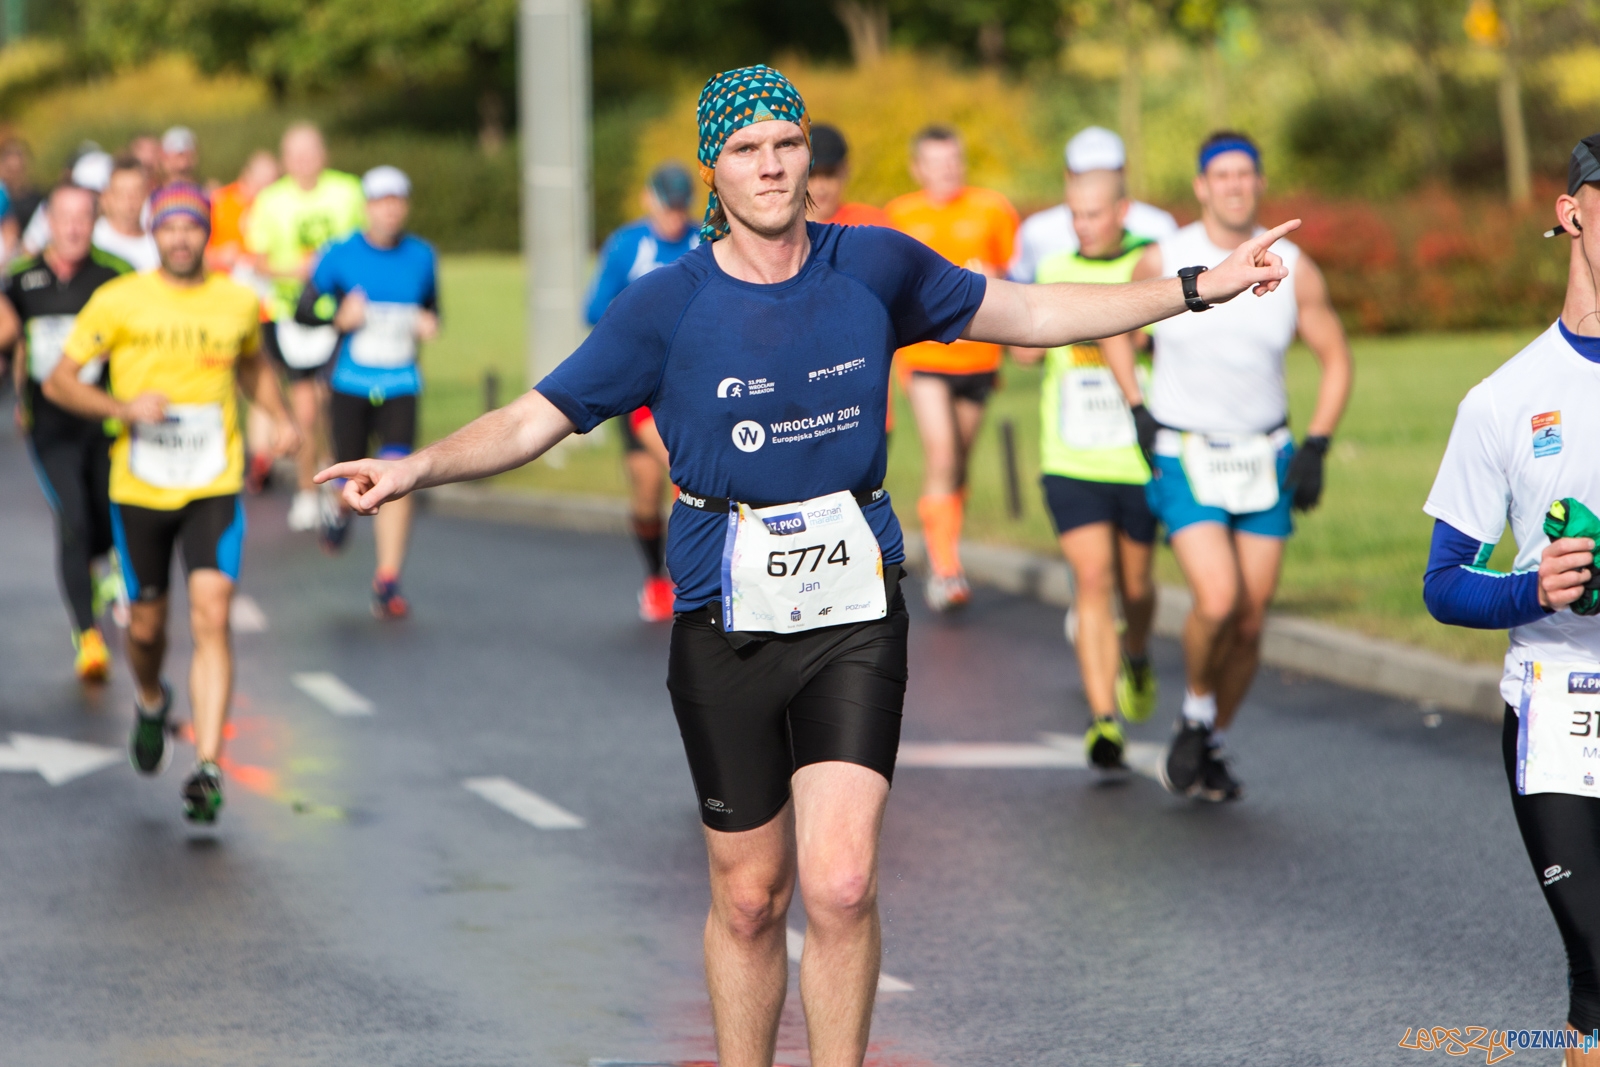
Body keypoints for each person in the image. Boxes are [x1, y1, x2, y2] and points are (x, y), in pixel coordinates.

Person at [315, 65, 1296, 1067]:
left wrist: (1195, 288)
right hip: (724, 605)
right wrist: (415, 466)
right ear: (714, 168)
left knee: (840, 883)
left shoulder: (871, 266)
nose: (772, 163)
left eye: (786, 141)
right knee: (749, 898)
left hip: (853, 602)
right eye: (746, 148)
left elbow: (1034, 312)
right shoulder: (667, 305)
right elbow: (535, 416)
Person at [1424, 133, 1600, 1064]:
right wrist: (1534, 584)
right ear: (1571, 212)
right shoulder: (1502, 401)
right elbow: (1444, 582)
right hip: (1559, 704)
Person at [44, 182, 297, 823]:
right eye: (169, 227)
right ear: (154, 233)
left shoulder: (237, 302)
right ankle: (152, 699)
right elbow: (60, 381)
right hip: (141, 487)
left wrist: (280, 413)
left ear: (206, 232)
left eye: (191, 227)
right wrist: (121, 407)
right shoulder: (119, 300)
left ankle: (208, 767)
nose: (180, 238)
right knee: (149, 628)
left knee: (212, 615)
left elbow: (252, 364)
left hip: (213, 480)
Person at [1128, 131, 1351, 801]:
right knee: (1218, 598)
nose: (1233, 185)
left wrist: (1316, 444)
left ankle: (1207, 734)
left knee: (1251, 617)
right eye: (1220, 175)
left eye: (1245, 174)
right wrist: (1136, 406)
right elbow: (1117, 332)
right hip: (1188, 451)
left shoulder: (1295, 266)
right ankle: (1198, 716)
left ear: (1259, 183)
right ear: (1200, 186)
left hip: (1265, 452)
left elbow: (1335, 358)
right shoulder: (1165, 257)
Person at [1009, 168, 1159, 770]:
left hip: (1138, 458)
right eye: (1075, 215)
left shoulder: (1147, 272)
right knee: (1092, 581)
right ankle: (1103, 720)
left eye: (1095, 214)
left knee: (1138, 588)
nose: (1084, 225)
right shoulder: (1052, 273)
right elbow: (1022, 349)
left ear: (1121, 211)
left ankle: (1140, 653)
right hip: (1070, 457)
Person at [0, 184, 131, 682]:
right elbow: (9, 340)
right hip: (50, 426)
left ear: (94, 222)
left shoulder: (114, 277)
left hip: (105, 419)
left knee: (101, 520)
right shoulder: (20, 279)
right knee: (73, 517)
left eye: (83, 218)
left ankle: (99, 568)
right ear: (49, 224)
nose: (74, 228)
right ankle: (88, 634)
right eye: (64, 218)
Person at [295, 166, 439, 619]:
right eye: (381, 200)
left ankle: (388, 579)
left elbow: (433, 308)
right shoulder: (339, 254)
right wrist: (337, 317)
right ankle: (338, 512)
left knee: (398, 474)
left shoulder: (422, 255)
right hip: (350, 383)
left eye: (398, 200)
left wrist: (428, 323)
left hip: (400, 382)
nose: (390, 209)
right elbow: (303, 310)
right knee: (351, 478)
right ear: (367, 207)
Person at [885, 126, 1019, 611]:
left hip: (979, 357)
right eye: (936, 163)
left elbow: (1013, 275)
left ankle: (944, 544)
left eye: (954, 160)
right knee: (942, 457)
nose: (947, 170)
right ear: (918, 168)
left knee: (959, 461)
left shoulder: (992, 208)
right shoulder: (901, 215)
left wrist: (997, 279)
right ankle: (945, 569)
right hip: (926, 358)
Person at [585, 161, 699, 621]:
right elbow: (595, 310)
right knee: (647, 488)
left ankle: (695, 576)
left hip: (694, 383)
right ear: (648, 200)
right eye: (666, 205)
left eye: (680, 207)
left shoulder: (704, 240)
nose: (674, 215)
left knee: (684, 473)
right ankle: (655, 576)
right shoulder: (628, 245)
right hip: (640, 385)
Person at [246, 122, 366, 533]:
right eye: (295, 155)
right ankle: (306, 491)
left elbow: (365, 246)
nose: (304, 162)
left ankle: (340, 489)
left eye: (311, 153)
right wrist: (297, 270)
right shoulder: (271, 200)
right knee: (305, 408)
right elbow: (258, 261)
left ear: (324, 154)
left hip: (339, 314)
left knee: (335, 401)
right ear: (284, 160)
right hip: (291, 316)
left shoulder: (348, 191)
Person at [1010, 127, 1178, 284]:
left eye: (1108, 173)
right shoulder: (1037, 232)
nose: (1082, 226)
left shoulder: (1159, 228)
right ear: (1068, 175)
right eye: (1084, 174)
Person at [806, 125, 888, 228]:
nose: (819, 186)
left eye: (829, 174)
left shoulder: (872, 224)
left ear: (845, 170)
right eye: (810, 175)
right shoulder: (782, 230)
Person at [93, 157, 159, 272]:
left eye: (137, 191)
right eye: (122, 192)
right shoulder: (93, 240)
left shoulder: (158, 243)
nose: (130, 199)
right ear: (106, 196)